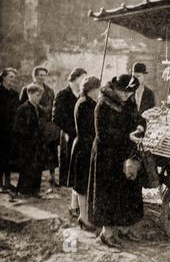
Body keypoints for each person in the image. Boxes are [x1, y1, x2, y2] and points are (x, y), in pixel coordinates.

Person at [88, 74, 146, 248]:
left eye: (130, 93)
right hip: (106, 156)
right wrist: (126, 136)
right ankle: (107, 234)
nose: (127, 96)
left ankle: (124, 229)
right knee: (109, 195)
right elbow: (102, 135)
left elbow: (138, 118)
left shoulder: (128, 102)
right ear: (116, 88)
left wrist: (140, 127)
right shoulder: (103, 105)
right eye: (125, 93)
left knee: (127, 191)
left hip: (124, 154)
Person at [53, 67, 87, 216]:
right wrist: (73, 131)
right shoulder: (62, 95)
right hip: (69, 137)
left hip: (81, 138)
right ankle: (73, 205)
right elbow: (57, 118)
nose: (84, 81)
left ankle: (76, 205)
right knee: (73, 172)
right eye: (82, 78)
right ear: (74, 78)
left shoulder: (82, 95)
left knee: (79, 171)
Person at [68, 76, 101, 232]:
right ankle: (83, 217)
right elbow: (90, 128)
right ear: (91, 89)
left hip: (84, 146)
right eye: (97, 90)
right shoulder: (85, 105)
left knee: (85, 183)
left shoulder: (86, 102)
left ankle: (85, 216)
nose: (99, 93)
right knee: (82, 185)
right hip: (84, 148)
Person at [20, 67, 59, 187]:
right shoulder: (28, 89)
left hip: (47, 124)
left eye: (44, 75)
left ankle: (52, 178)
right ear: (34, 76)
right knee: (35, 152)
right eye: (40, 75)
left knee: (51, 150)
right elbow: (23, 106)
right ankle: (33, 179)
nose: (42, 77)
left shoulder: (50, 90)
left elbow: (53, 106)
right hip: (33, 125)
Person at [13, 84, 46, 197]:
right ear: (30, 94)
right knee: (27, 167)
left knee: (38, 166)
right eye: (37, 95)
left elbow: (43, 126)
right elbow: (18, 128)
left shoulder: (41, 110)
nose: (39, 98)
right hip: (26, 144)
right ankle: (24, 190)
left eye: (40, 96)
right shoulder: (22, 109)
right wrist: (28, 137)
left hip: (38, 143)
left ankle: (35, 190)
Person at [0, 68, 20, 192]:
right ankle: (0, 184)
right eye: (11, 77)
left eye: (14, 77)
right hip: (0, 129)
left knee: (8, 156)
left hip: (10, 129)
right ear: (3, 78)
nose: (13, 80)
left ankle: (7, 182)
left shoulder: (14, 94)